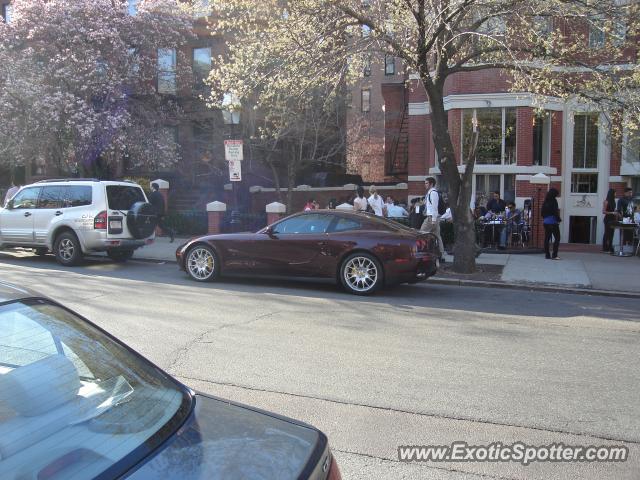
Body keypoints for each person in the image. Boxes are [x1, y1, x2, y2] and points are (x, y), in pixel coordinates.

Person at [420, 177, 445, 261]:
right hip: (434, 218)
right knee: (437, 236)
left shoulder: (433, 193)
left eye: (426, 183)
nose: (425, 185)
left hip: (431, 218)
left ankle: (421, 253)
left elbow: (434, 207)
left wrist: (433, 219)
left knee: (421, 234)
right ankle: (441, 255)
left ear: (431, 184)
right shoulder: (430, 193)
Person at [541, 188, 561, 260]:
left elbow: (542, 213)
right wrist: (559, 219)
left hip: (546, 222)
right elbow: (555, 211)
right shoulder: (554, 201)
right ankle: (554, 255)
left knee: (547, 238)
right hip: (553, 222)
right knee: (557, 238)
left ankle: (547, 255)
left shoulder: (545, 201)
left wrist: (546, 218)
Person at [602, 188, 618, 253]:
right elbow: (603, 211)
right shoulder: (606, 201)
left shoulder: (613, 201)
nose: (615, 194)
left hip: (613, 219)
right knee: (607, 233)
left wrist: (616, 213)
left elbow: (614, 210)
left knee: (612, 234)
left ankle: (610, 247)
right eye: (615, 193)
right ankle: (605, 248)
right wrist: (612, 212)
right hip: (608, 219)